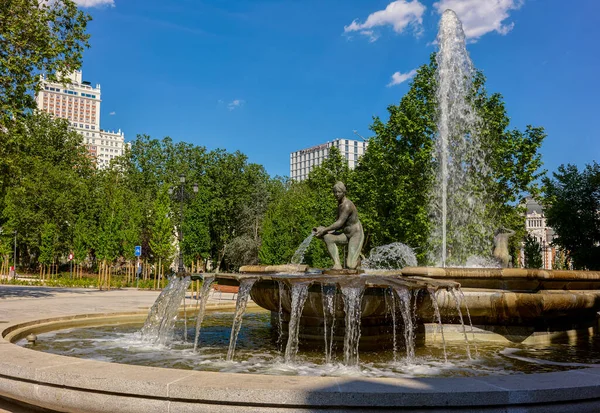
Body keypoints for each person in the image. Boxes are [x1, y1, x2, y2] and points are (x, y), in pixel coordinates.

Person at [314, 182, 364, 270]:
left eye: (339, 192)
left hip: (355, 235)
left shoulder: (347, 205)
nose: (336, 194)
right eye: (335, 192)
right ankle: (337, 264)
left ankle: (358, 261)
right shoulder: (339, 204)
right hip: (345, 234)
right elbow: (339, 224)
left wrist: (324, 229)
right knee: (328, 237)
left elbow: (339, 223)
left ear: (344, 192)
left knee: (350, 265)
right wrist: (324, 231)